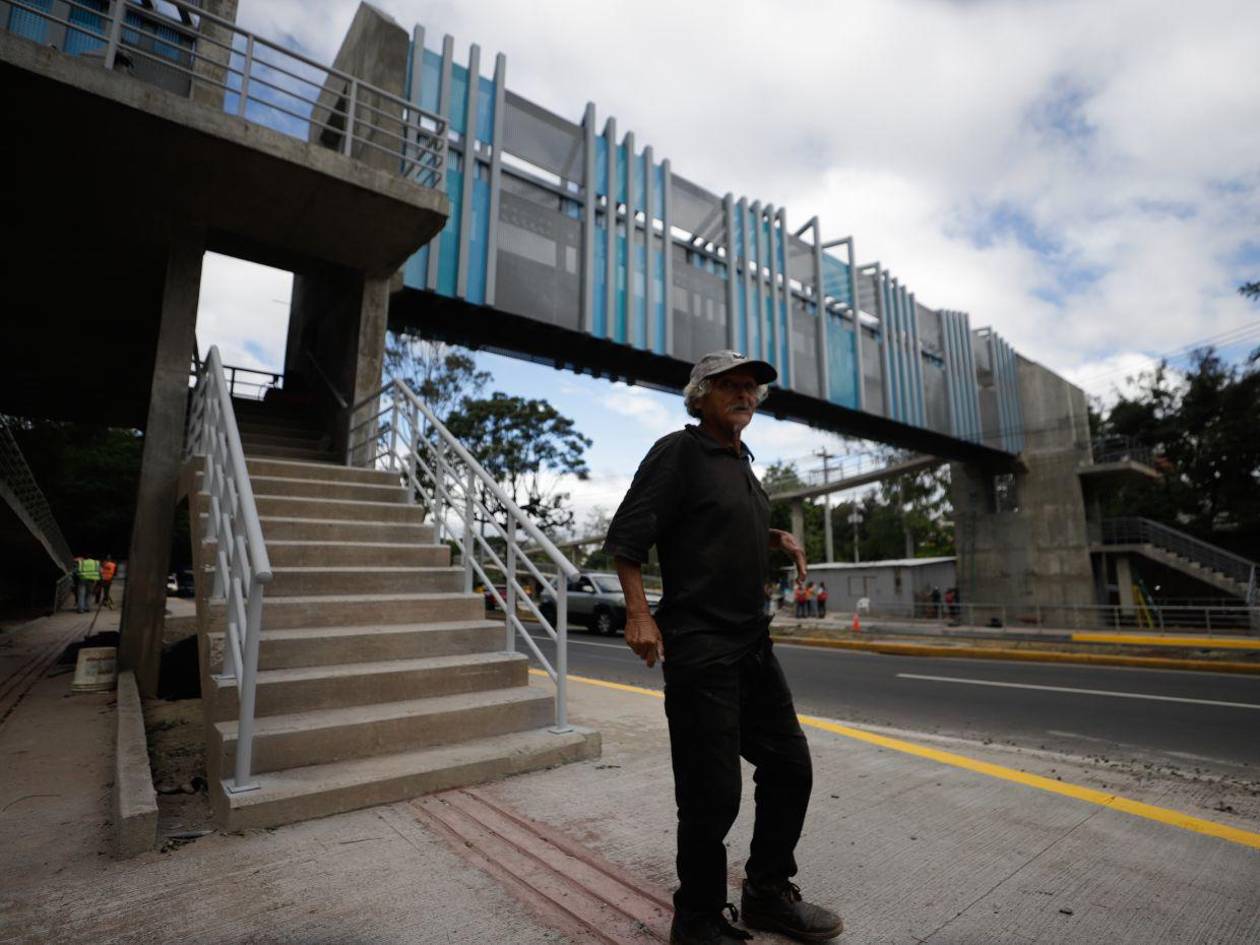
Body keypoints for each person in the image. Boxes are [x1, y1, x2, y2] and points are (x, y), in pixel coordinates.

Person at [605, 350, 843, 945]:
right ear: (701, 395)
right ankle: (699, 919)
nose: (745, 394)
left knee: (790, 766)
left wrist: (771, 534)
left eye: (751, 387)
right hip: (700, 644)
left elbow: (716, 521)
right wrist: (639, 614)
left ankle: (765, 893)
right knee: (712, 794)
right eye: (730, 385)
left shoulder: (742, 463)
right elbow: (629, 536)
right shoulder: (679, 451)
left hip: (752, 644)